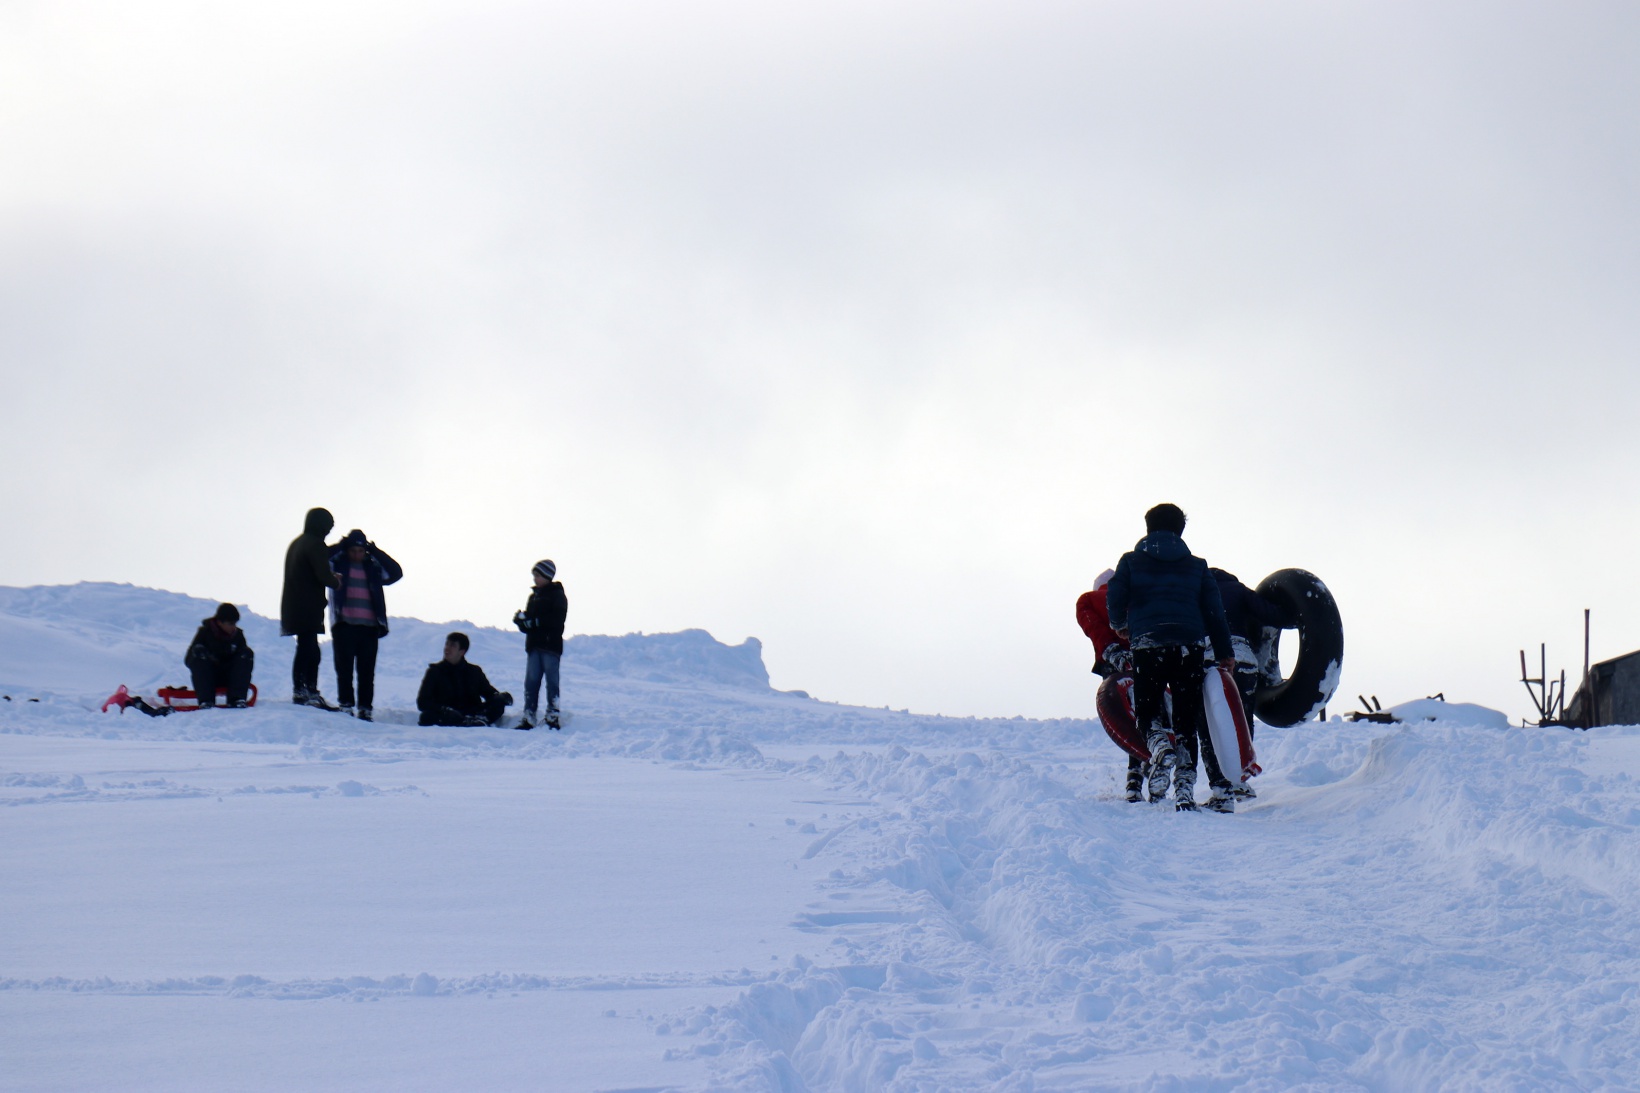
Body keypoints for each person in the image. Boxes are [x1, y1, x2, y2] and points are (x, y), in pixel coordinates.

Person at [1106, 503, 1234, 812]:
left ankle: (1159, 746)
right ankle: (1186, 790)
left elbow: (1115, 594)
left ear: (1148, 527)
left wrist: (1119, 624)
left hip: (1147, 644)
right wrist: (1225, 651)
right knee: (1186, 718)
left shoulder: (1131, 562)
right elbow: (1214, 612)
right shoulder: (1197, 566)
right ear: (1180, 530)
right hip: (1188, 646)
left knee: (1148, 710)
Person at [1199, 567, 1292, 800]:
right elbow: (1272, 614)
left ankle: (1221, 785)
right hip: (1244, 661)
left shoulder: (1196, 592)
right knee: (1242, 718)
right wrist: (1303, 614)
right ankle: (1240, 779)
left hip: (1210, 661)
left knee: (1209, 725)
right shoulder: (1238, 590)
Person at [1076, 568, 1150, 802]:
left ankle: (1134, 781)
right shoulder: (1137, 598)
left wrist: (1110, 649)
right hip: (1144, 658)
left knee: (1128, 720)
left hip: (1113, 665)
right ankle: (1145, 766)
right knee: (1147, 714)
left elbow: (1094, 629)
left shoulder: (1089, 599)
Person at [327, 529, 404, 722]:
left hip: (370, 626)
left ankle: (365, 708)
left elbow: (396, 572)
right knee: (344, 669)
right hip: (344, 623)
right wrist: (340, 546)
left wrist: (375, 551)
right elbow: (320, 558)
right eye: (353, 550)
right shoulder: (337, 564)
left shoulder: (373, 567)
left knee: (366, 671)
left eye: (360, 551)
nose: (356, 555)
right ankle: (346, 704)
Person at [281, 507, 341, 708]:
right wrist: (336, 581)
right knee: (310, 651)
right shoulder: (315, 544)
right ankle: (307, 691)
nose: (329, 530)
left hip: (294, 604)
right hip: (307, 606)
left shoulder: (298, 542)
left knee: (306, 648)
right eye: (328, 526)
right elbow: (323, 575)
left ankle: (302, 690)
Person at [513, 559, 568, 729]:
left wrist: (534, 622)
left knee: (551, 681)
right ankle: (529, 716)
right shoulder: (533, 597)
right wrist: (522, 622)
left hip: (550, 646)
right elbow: (530, 624)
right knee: (531, 682)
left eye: (537, 575)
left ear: (546, 576)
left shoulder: (557, 595)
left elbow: (557, 620)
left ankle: (553, 715)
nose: (535, 579)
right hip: (534, 646)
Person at [416, 632, 512, 727]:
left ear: (462, 651)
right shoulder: (434, 672)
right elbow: (422, 702)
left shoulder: (474, 671)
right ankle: (464, 722)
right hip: (448, 715)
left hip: (474, 713)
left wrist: (501, 697)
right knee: (426, 717)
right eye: (447, 644)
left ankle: (479, 721)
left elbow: (489, 693)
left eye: (452, 645)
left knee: (498, 704)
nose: (447, 648)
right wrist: (444, 710)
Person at [185, 603, 254, 709]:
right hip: (209, 676)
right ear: (219, 622)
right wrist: (201, 653)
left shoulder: (237, 636)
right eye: (230, 623)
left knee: (246, 654)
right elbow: (189, 659)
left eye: (235, 623)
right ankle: (206, 700)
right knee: (199, 654)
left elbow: (241, 661)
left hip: (230, 677)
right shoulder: (205, 633)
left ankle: (237, 698)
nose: (233, 627)